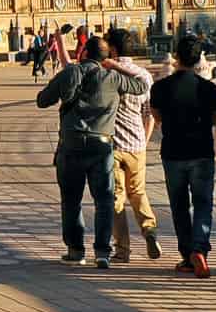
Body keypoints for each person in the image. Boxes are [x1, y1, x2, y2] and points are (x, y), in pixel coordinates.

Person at [36, 34, 149, 269]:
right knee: (105, 201)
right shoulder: (113, 77)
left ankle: (76, 251)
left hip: (71, 145)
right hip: (102, 146)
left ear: (84, 53)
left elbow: (42, 100)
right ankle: (102, 253)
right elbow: (142, 84)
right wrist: (115, 66)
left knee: (71, 201)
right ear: (106, 57)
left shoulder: (70, 73)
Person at [151, 36, 216, 276]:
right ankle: (199, 248)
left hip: (173, 153)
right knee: (203, 203)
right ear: (199, 58)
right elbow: (214, 119)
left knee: (179, 205)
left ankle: (187, 256)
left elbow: (156, 116)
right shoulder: (209, 88)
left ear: (176, 57)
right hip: (201, 152)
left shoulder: (160, 87)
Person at [102, 29, 161, 262]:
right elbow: (150, 116)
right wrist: (144, 142)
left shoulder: (108, 73)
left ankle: (123, 249)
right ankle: (149, 229)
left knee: (116, 197)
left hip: (114, 144)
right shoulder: (145, 76)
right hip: (137, 143)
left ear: (113, 50)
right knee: (138, 192)